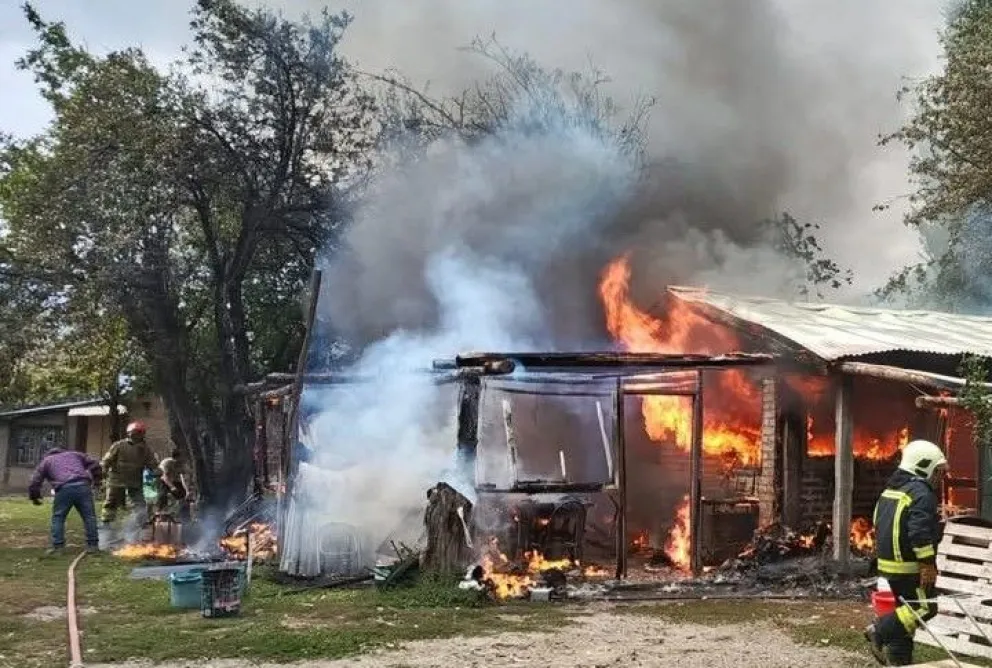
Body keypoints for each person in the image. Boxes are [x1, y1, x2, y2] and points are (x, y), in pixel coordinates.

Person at [865, 439, 947, 666]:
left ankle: (901, 662)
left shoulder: (891, 489)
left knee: (905, 612)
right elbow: (920, 533)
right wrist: (927, 564)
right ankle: (878, 632)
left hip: (889, 566)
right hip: (910, 567)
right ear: (924, 465)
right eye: (937, 470)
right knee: (924, 607)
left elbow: (876, 521)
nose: (939, 477)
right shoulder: (922, 493)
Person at [28, 446, 102, 555]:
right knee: (89, 517)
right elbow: (95, 464)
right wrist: (96, 481)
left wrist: (35, 497)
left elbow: (35, 480)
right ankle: (93, 546)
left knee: (58, 517)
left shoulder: (47, 461)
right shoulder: (75, 454)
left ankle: (58, 547)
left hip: (64, 488)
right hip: (83, 486)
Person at [100, 421, 159, 524]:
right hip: (117, 480)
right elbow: (107, 460)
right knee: (111, 502)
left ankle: (140, 525)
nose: (138, 435)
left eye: (140, 433)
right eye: (136, 432)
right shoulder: (119, 445)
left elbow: (152, 464)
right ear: (130, 433)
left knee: (139, 504)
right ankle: (106, 523)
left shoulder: (146, 449)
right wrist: (103, 470)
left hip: (135, 482)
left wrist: (157, 471)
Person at [156, 446, 191, 515]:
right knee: (163, 494)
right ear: (177, 457)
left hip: (174, 481)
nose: (183, 459)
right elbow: (164, 476)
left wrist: (187, 491)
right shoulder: (167, 462)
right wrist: (172, 487)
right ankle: (161, 511)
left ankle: (185, 518)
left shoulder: (182, 464)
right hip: (162, 480)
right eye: (182, 457)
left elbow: (182, 477)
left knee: (183, 496)